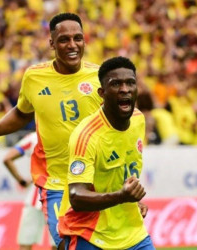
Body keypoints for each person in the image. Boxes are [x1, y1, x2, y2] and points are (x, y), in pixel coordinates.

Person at [0, 13, 103, 249]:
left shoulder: (99, 76)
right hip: (54, 181)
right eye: (64, 39)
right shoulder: (34, 76)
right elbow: (22, 113)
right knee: (64, 242)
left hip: (95, 178)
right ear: (52, 43)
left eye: (78, 38)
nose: (72, 45)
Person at [58, 56, 155, 249]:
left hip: (132, 232)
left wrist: (132, 202)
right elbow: (76, 197)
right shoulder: (86, 135)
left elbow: (121, 172)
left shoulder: (138, 120)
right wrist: (122, 196)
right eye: (116, 84)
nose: (125, 89)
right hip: (90, 234)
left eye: (130, 83)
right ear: (102, 93)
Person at [3, 132, 56, 250]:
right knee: (58, 244)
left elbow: (7, 159)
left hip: (35, 196)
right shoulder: (67, 132)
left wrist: (21, 180)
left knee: (25, 244)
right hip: (60, 196)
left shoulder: (33, 137)